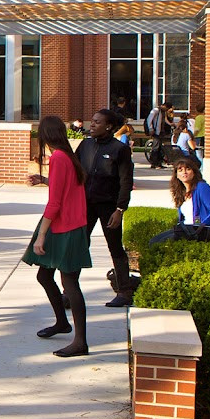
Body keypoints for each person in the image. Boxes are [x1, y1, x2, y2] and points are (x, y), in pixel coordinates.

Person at [50, 108, 135, 308]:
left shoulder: (119, 149)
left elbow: (126, 181)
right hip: (85, 206)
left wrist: (120, 209)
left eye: (98, 122)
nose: (93, 124)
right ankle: (69, 293)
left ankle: (124, 292)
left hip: (109, 207)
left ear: (109, 126)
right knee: (78, 247)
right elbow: (73, 173)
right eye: (93, 121)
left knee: (115, 247)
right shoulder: (86, 145)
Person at [24, 114, 93, 357]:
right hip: (66, 226)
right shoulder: (67, 157)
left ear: (46, 136)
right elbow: (64, 189)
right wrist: (44, 179)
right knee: (45, 276)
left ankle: (80, 342)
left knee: (70, 284)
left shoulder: (59, 159)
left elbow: (55, 203)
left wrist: (41, 236)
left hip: (66, 229)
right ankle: (62, 323)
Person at [150, 156, 210, 243]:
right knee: (154, 241)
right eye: (180, 170)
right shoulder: (181, 191)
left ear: (194, 172)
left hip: (201, 231)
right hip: (186, 228)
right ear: (177, 175)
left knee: (160, 243)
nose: (184, 172)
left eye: (188, 169)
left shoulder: (202, 187)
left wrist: (202, 226)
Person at [143, 102, 168, 169]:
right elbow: (149, 119)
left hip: (160, 132)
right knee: (156, 148)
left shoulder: (162, 112)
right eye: (167, 108)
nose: (167, 110)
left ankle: (159, 163)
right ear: (164, 106)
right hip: (155, 131)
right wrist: (151, 128)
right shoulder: (156, 110)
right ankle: (154, 163)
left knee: (159, 148)